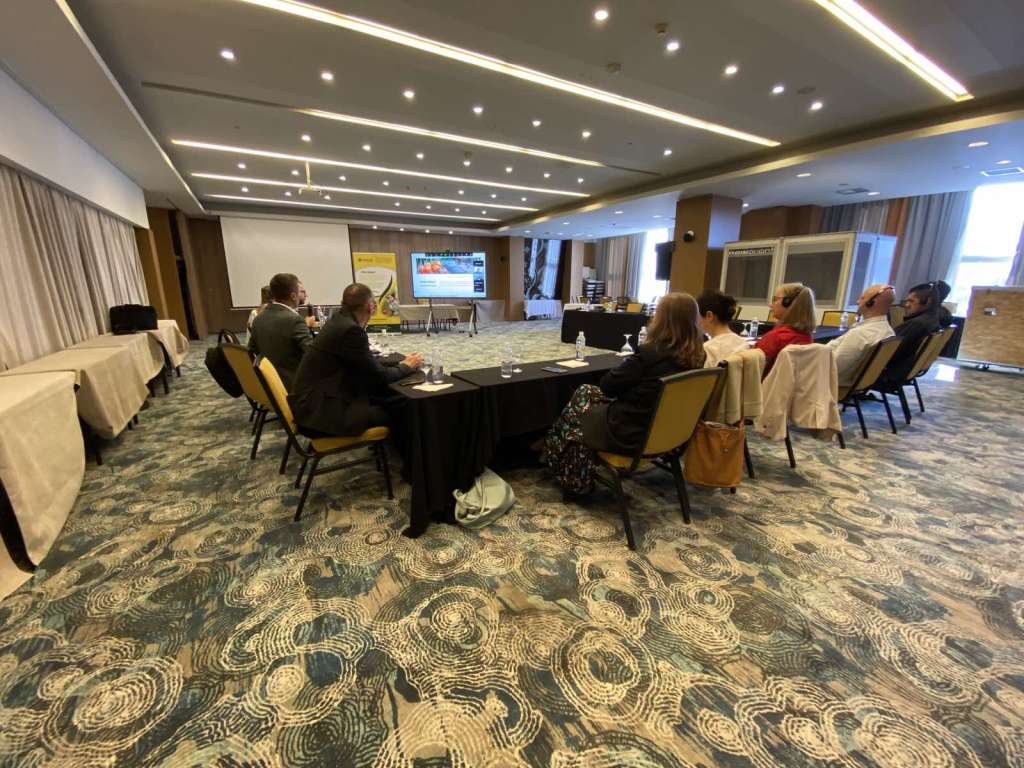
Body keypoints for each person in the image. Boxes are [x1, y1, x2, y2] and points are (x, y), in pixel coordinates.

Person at [541, 292, 706, 495]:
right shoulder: (698, 355)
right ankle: (554, 447)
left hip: (631, 433)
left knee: (582, 399)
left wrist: (630, 367)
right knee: (586, 393)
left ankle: (557, 455)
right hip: (671, 432)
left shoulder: (650, 354)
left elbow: (608, 386)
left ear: (663, 320)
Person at [290, 283, 422, 437]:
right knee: (404, 405)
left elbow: (363, 362)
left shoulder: (338, 320)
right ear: (370, 306)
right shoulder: (351, 330)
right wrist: (406, 366)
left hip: (311, 403)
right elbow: (379, 377)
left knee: (389, 397)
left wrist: (397, 364)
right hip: (321, 414)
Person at [248, 273, 314, 389]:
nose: (306, 295)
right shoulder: (294, 319)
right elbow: (312, 354)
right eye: (300, 291)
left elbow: (253, 350)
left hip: (268, 383)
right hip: (293, 385)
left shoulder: (259, 317)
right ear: (293, 296)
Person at [826, 284, 895, 387]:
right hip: (857, 384)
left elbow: (833, 367)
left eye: (862, 298)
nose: (858, 302)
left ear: (872, 303)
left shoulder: (860, 334)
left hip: (833, 384)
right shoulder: (888, 331)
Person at [875, 282, 940, 388]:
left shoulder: (917, 324)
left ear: (927, 301)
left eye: (911, 301)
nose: (906, 305)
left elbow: (887, 349)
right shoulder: (932, 320)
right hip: (906, 371)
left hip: (890, 373)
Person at [755, 283, 816, 374]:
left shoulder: (777, 337)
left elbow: (751, 366)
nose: (770, 305)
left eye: (775, 299)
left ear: (788, 303)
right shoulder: (808, 337)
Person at [697, 289, 748, 367]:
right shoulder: (743, 343)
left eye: (698, 315)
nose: (697, 320)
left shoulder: (708, 349)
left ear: (709, 316)